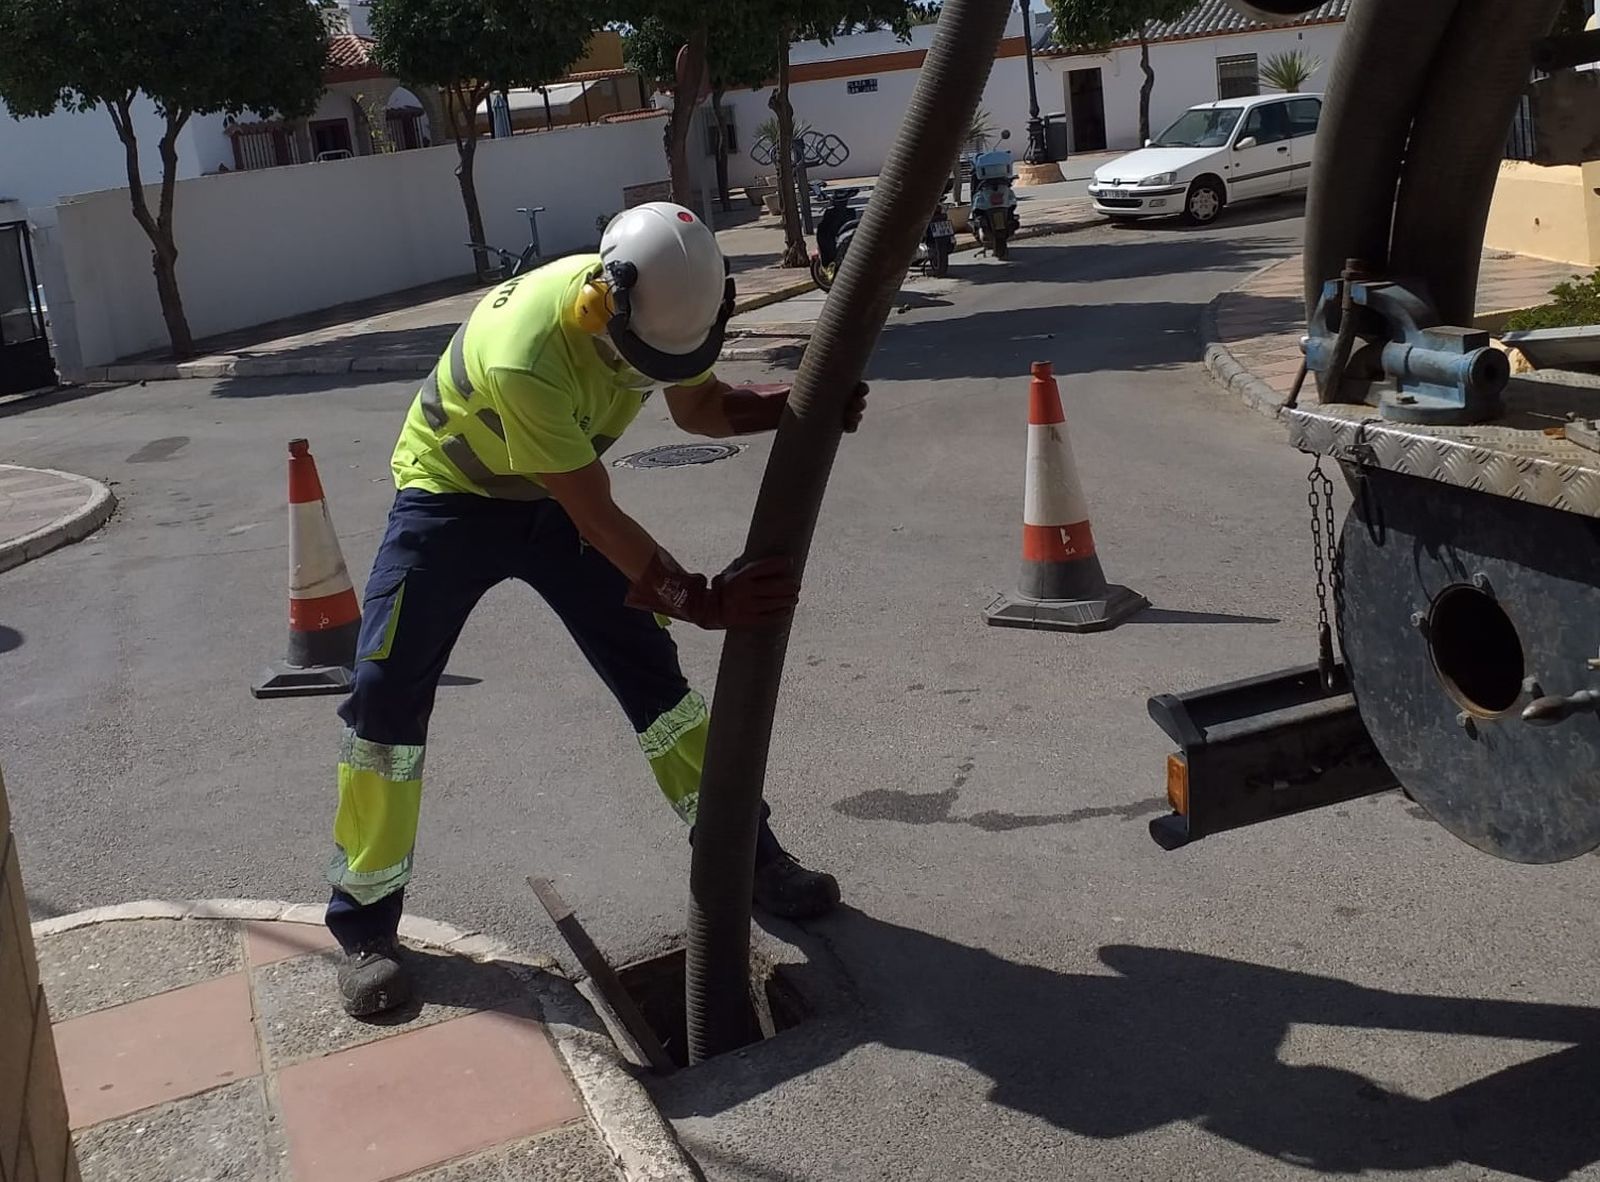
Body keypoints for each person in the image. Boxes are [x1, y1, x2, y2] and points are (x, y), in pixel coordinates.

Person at [324, 202, 866, 1017]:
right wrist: (700, 598)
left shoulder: (663, 302)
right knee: (385, 694)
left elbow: (698, 407)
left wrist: (797, 404)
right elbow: (598, 517)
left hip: (554, 497)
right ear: (602, 302)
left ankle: (747, 857)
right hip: (451, 498)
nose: (647, 369)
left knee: (655, 681)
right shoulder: (528, 351)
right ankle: (365, 924)